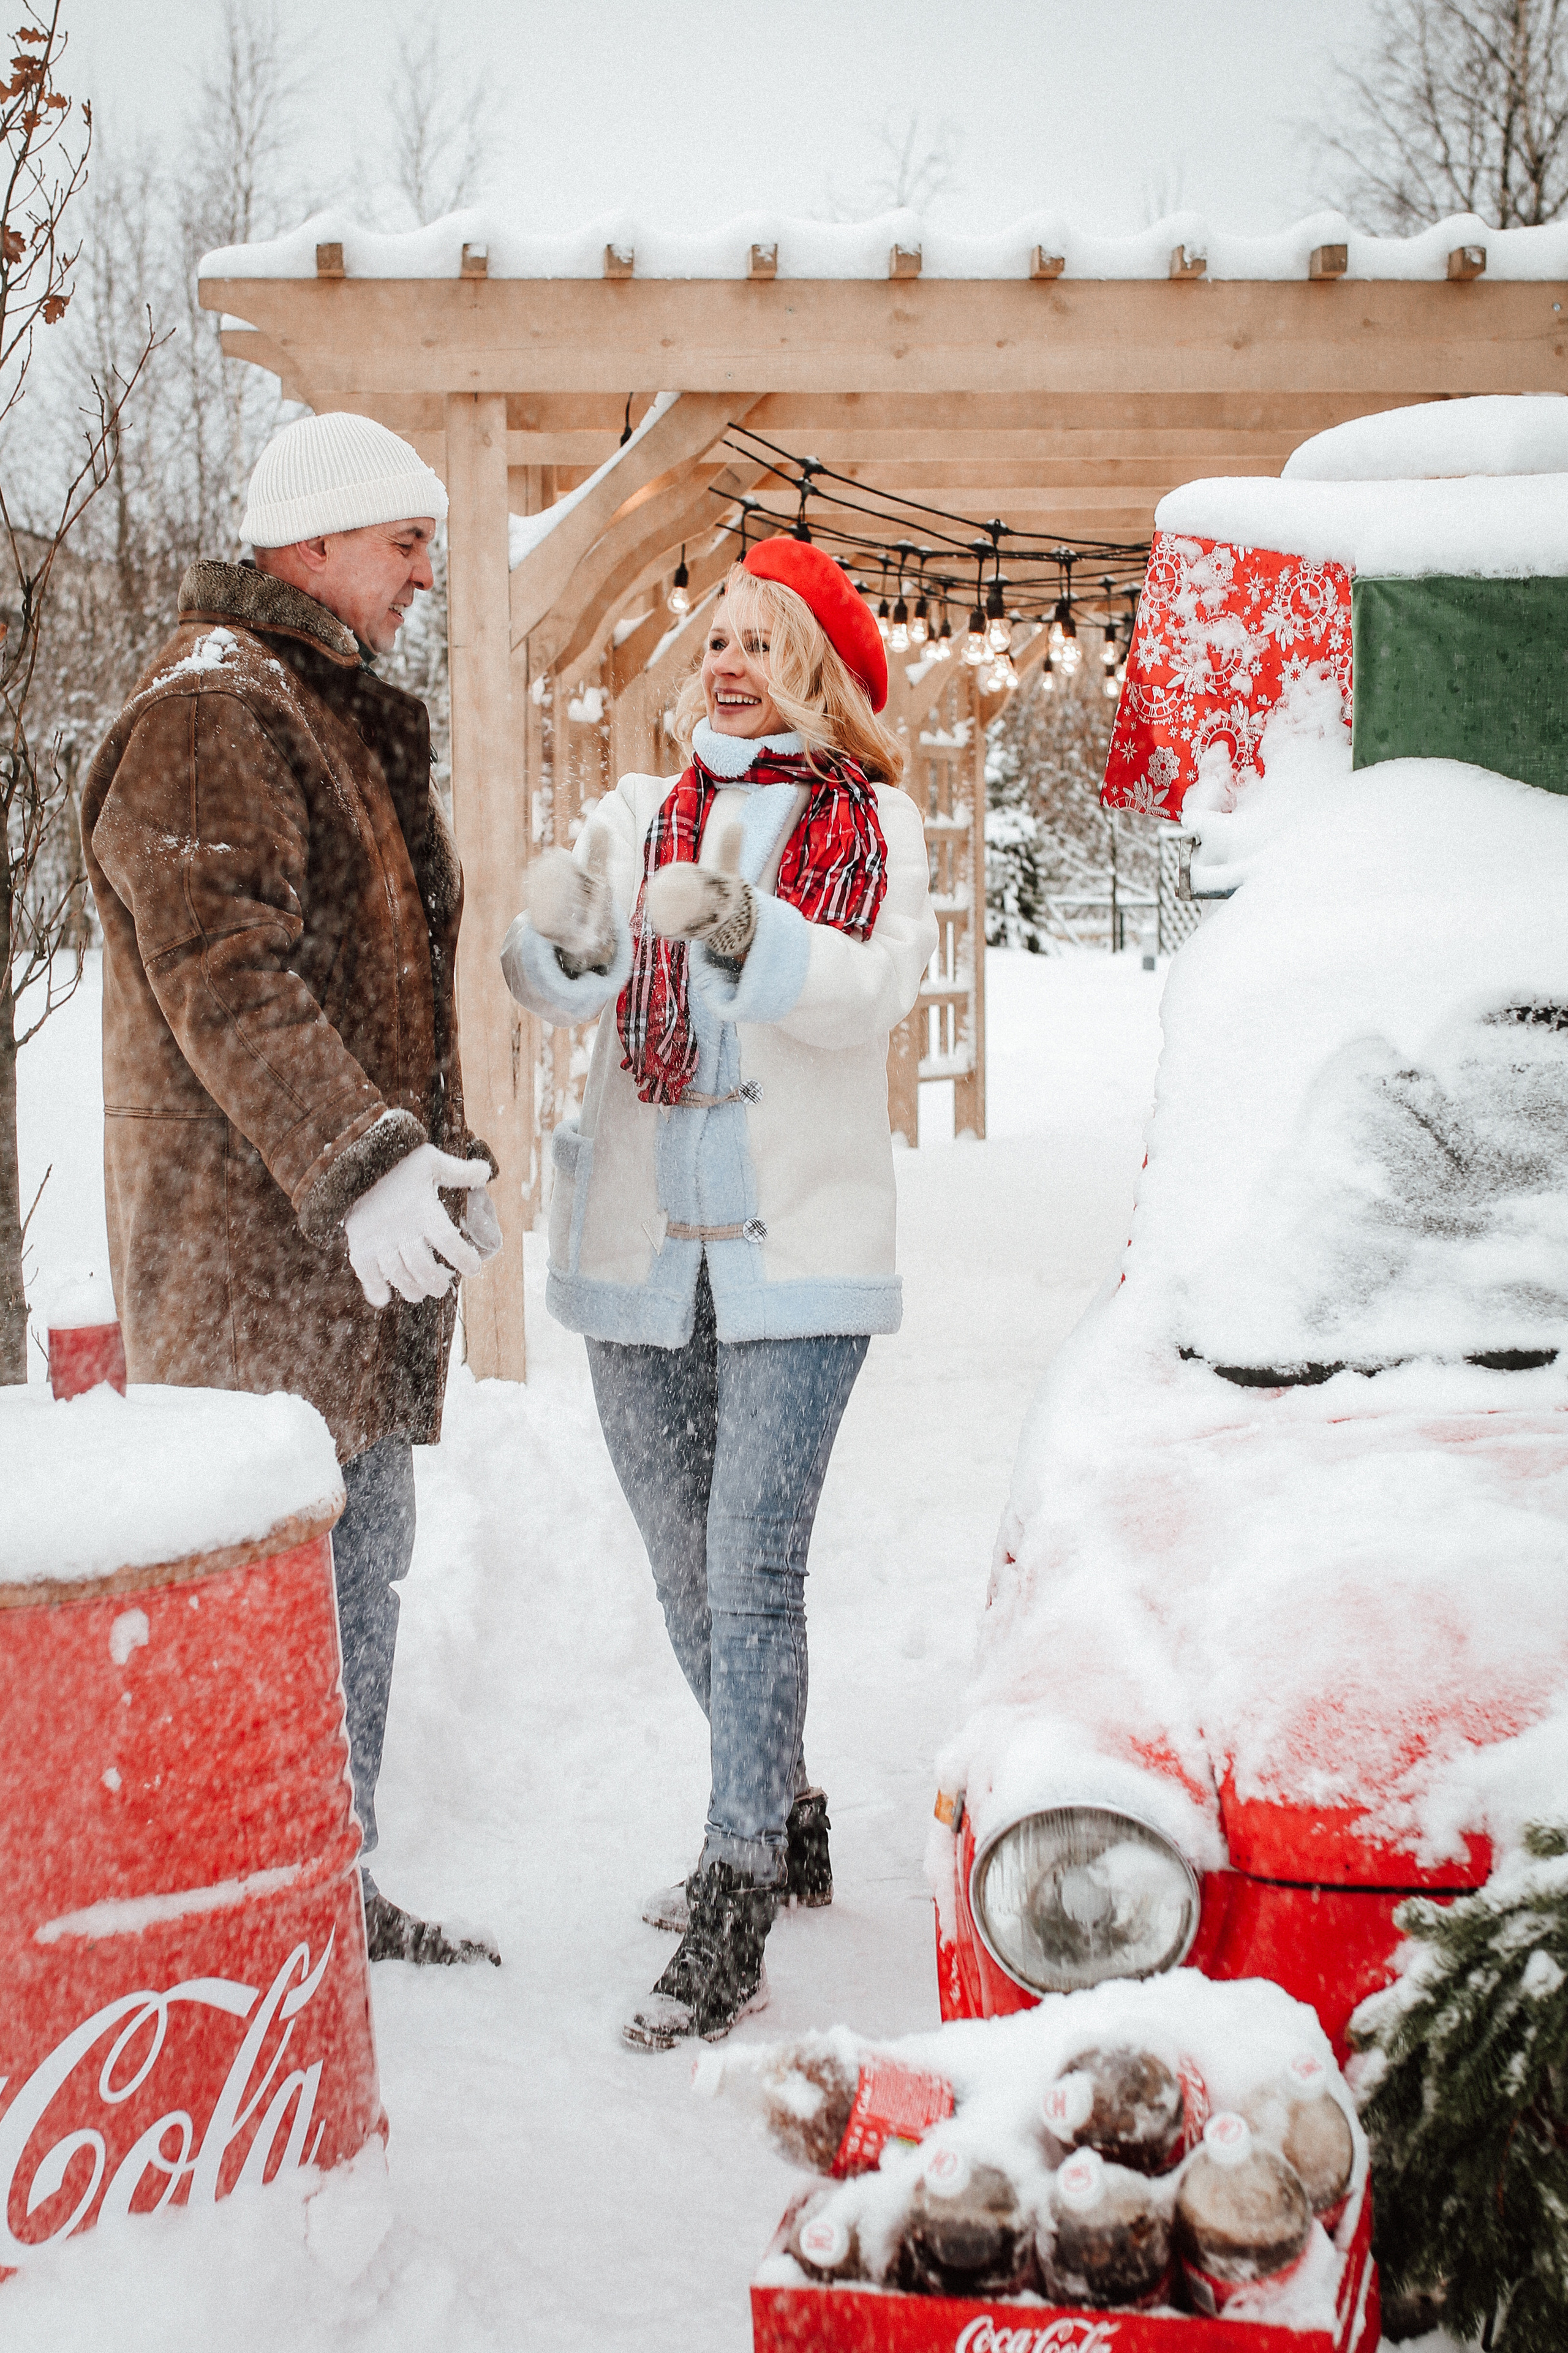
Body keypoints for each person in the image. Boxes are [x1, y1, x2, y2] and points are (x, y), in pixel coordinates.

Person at [500, 538, 938, 2045]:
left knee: (751, 1565)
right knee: (684, 1570)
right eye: (717, 640)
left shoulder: (872, 820)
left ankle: (735, 1878)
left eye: (765, 641)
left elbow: (870, 993)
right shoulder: (637, 814)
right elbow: (569, 987)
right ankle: (786, 1799)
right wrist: (561, 928)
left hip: (797, 1256)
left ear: (813, 669)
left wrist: (748, 931)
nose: (731, 662)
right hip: (643, 1247)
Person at [81, 411, 501, 1968]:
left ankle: (327, 1882)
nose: (424, 574)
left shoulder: (307, 704)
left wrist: (436, 1162)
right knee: (276, 1610)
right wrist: (364, 1161)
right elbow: (229, 974)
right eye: (405, 543)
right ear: (313, 542)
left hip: (337, 1270)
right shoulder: (212, 709)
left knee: (352, 1582)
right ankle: (252, 1921)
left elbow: (371, 978)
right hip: (256, 1269)